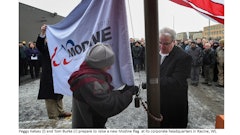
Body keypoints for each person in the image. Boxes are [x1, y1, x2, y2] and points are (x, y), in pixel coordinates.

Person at [68, 43, 139, 128]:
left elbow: (103, 95)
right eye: (107, 64)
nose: (109, 67)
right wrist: (129, 93)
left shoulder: (88, 74)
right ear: (98, 64)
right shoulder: (89, 81)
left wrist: (123, 91)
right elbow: (108, 106)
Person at [36, 24, 71, 119]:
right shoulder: (45, 49)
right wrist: (43, 33)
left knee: (59, 93)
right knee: (50, 96)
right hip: (48, 76)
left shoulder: (60, 48)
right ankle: (52, 115)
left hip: (58, 74)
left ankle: (61, 111)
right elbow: (39, 45)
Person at [158, 27, 192, 128]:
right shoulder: (157, 53)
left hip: (174, 104)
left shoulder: (183, 57)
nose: (162, 46)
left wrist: (152, 82)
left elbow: (176, 81)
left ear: (174, 42)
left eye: (166, 43)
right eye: (160, 42)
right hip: (160, 100)